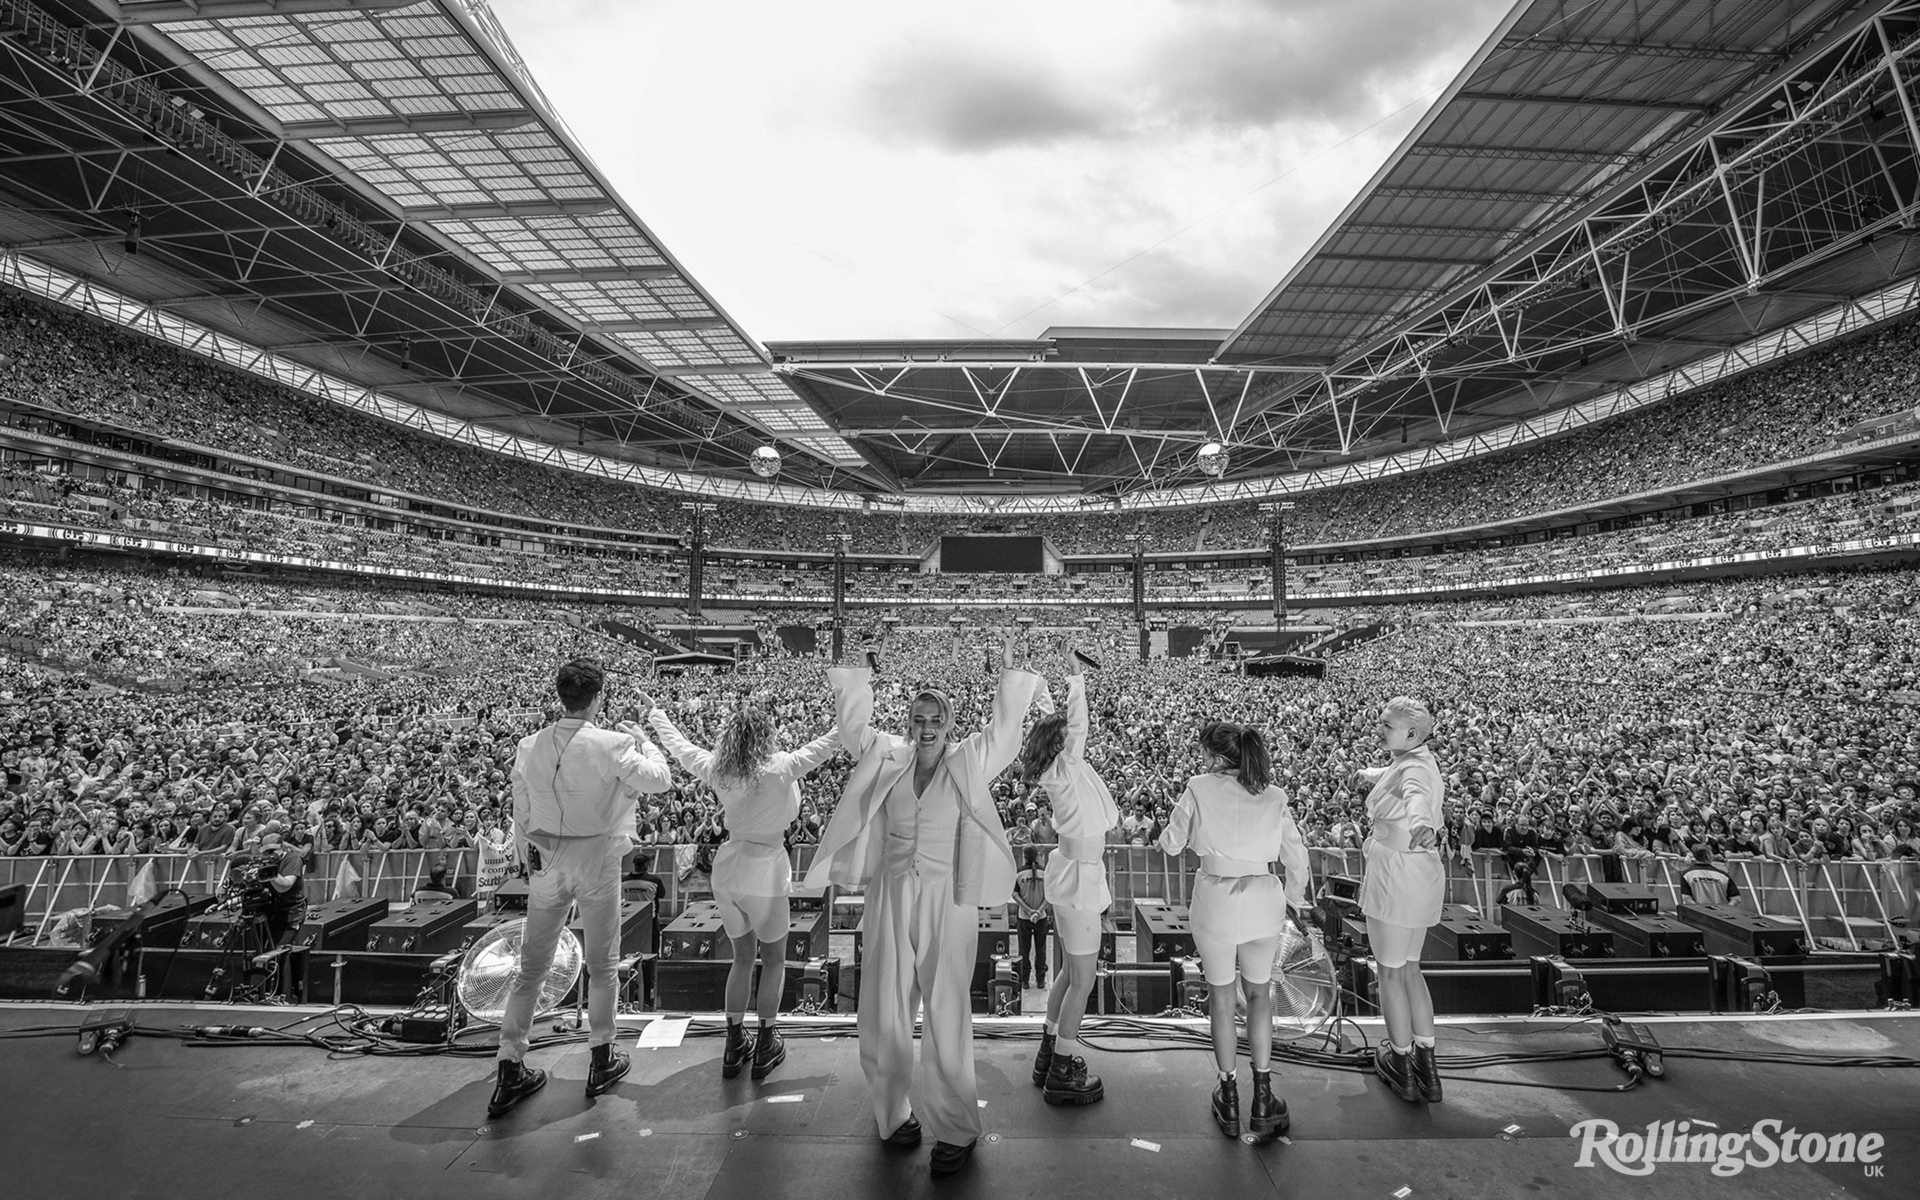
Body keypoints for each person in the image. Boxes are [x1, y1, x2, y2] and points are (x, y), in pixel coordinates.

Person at [803, 632, 1042, 1178]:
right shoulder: (889, 756)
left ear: (950, 723)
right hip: (891, 894)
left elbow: (1005, 735)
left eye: (935, 718)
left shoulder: (968, 760)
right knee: (884, 1005)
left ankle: (955, 1129)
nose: (926, 727)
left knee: (947, 1007)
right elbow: (852, 731)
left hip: (947, 899)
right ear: (908, 722)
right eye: (918, 718)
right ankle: (892, 1115)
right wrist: (859, 674)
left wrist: (1009, 677)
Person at [487, 659, 672, 1120]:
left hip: (547, 860)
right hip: (596, 860)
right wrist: (647, 740)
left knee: (531, 966)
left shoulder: (529, 745)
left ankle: (510, 1065)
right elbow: (661, 781)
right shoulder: (614, 743)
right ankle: (601, 1058)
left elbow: (522, 809)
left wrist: (531, 853)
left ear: (561, 695)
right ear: (598, 698)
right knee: (603, 965)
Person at [645, 693, 838, 1081]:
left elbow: (680, 747)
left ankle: (734, 1045)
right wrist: (852, 714)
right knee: (776, 960)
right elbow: (830, 743)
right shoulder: (781, 766)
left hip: (727, 869)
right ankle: (766, 1043)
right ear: (766, 737)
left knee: (742, 958)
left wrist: (656, 714)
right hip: (765, 869)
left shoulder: (718, 768)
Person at [1157, 721, 1311, 1143]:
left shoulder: (1197, 787)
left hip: (1215, 903)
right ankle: (1263, 1099)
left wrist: (1172, 837)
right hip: (1264, 901)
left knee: (1223, 999)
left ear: (1215, 755)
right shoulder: (1274, 795)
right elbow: (1296, 859)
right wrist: (1295, 900)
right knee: (1260, 994)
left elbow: (1171, 843)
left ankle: (1228, 1098)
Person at [1018, 646, 1119, 1106]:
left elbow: (1055, 722)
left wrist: (1043, 693)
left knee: (1065, 973)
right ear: (1062, 744)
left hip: (1072, 873)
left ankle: (1047, 1052)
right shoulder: (1067, 766)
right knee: (1083, 979)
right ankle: (1063, 1068)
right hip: (1079, 877)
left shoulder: (1060, 768)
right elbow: (1074, 725)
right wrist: (1075, 676)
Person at [1354, 696, 1446, 1106]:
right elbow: (1399, 775)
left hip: (1395, 876)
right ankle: (1428, 1066)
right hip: (1420, 874)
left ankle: (1401, 1062)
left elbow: (1416, 797)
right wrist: (1367, 772)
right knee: (1410, 969)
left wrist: (1423, 824)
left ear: (1410, 734)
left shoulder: (1414, 773)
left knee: (1389, 973)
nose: (1378, 726)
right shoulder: (1416, 760)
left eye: (1386, 724)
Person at [1012, 846, 1051, 991]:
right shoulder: (1045, 873)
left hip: (1024, 917)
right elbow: (1049, 896)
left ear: (1024, 856)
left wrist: (1029, 911)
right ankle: (1040, 980)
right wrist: (1038, 912)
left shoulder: (1019, 873)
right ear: (1037, 856)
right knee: (1041, 949)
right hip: (1041, 918)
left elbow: (1015, 895)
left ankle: (1024, 980)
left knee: (1024, 949)